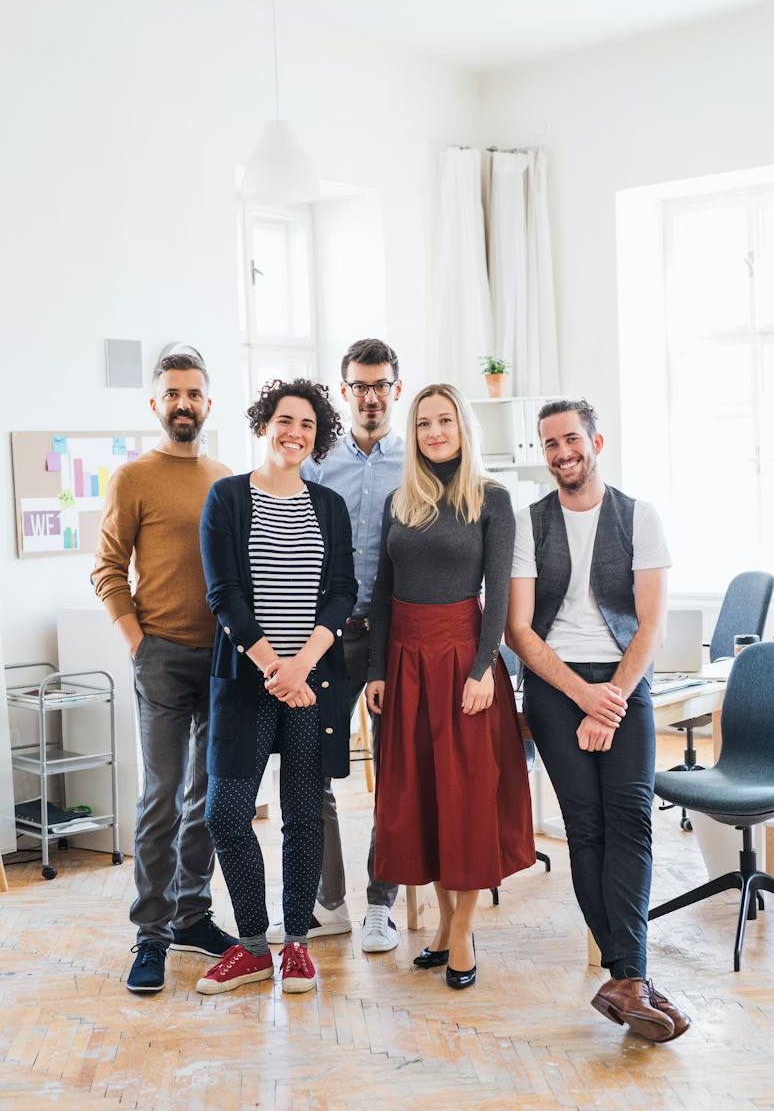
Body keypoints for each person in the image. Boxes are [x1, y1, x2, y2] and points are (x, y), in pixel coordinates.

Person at [506, 398, 691, 1042]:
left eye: (571, 440)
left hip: (624, 678)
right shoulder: (528, 522)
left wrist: (610, 696)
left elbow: (652, 624)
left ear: (596, 441)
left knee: (631, 818)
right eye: (549, 444)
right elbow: (520, 630)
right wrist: (583, 698)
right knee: (585, 825)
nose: (561, 454)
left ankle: (626, 977)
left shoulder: (639, 517)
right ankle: (632, 976)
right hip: (557, 687)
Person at [366, 384, 535, 990]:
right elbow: (384, 595)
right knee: (425, 801)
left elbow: (497, 598)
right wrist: (377, 670)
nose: (434, 432)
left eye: (445, 420)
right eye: (423, 423)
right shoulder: (398, 501)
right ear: (412, 435)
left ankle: (462, 931)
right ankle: (442, 924)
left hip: (465, 660)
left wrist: (485, 667)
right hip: (406, 662)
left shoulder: (492, 499)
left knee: (464, 801)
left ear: (463, 426)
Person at [195, 379, 357, 997]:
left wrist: (301, 666)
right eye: (286, 420)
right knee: (226, 815)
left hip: (313, 684)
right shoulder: (228, 498)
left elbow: (342, 592)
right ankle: (252, 943)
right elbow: (225, 595)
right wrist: (274, 667)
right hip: (247, 680)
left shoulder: (330, 505)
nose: (296, 432)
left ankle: (294, 946)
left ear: (319, 438)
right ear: (266, 424)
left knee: (303, 815)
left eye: (309, 425)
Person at [93, 353, 236, 995]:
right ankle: (149, 932)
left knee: (206, 796)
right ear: (157, 405)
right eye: (173, 394)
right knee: (162, 796)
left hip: (224, 661)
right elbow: (106, 569)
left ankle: (192, 916)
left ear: (209, 403)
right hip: (162, 657)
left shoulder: (226, 479)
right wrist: (137, 645)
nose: (184, 403)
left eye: (195, 393)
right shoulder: (133, 479)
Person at [264, 339, 404, 954]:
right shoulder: (316, 465)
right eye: (358, 386)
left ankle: (381, 904)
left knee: (395, 776)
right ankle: (330, 901)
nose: (370, 397)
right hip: (325, 638)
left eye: (381, 385)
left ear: (396, 389)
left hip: (396, 640)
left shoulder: (419, 460)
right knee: (314, 771)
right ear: (343, 392)